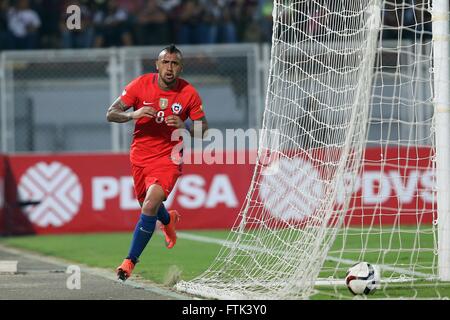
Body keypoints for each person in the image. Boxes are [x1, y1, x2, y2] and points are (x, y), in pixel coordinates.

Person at [106, 44, 208, 281]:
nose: (169, 67)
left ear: (180, 68)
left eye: (174, 63)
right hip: (139, 157)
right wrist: (133, 114)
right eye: (165, 62)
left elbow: (204, 129)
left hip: (168, 158)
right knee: (148, 205)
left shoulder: (188, 93)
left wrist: (185, 126)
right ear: (157, 65)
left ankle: (129, 261)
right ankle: (168, 220)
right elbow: (110, 113)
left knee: (149, 204)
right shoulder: (140, 85)